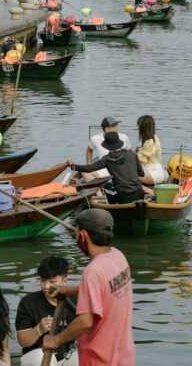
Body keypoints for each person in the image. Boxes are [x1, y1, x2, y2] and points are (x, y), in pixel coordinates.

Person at [42, 209, 135, 366]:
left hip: (100, 359)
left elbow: (86, 321)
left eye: (76, 234)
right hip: (123, 356)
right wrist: (69, 290)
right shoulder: (118, 256)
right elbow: (105, 290)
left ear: (83, 235)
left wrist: (56, 340)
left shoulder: (93, 271)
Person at [15, 256, 77, 366]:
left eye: (52, 281)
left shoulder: (77, 300)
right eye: (43, 281)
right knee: (43, 357)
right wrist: (39, 329)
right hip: (36, 356)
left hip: (68, 356)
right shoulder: (28, 302)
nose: (46, 286)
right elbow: (22, 341)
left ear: (64, 280)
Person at [73, 131, 145, 204]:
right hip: (139, 193)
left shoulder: (107, 159)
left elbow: (88, 169)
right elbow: (142, 174)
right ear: (119, 142)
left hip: (123, 196)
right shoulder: (132, 154)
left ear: (107, 146)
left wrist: (73, 166)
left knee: (107, 186)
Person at [135, 115, 169, 186]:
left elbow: (143, 159)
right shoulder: (155, 137)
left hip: (152, 174)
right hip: (158, 170)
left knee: (127, 175)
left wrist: (134, 153)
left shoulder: (149, 142)